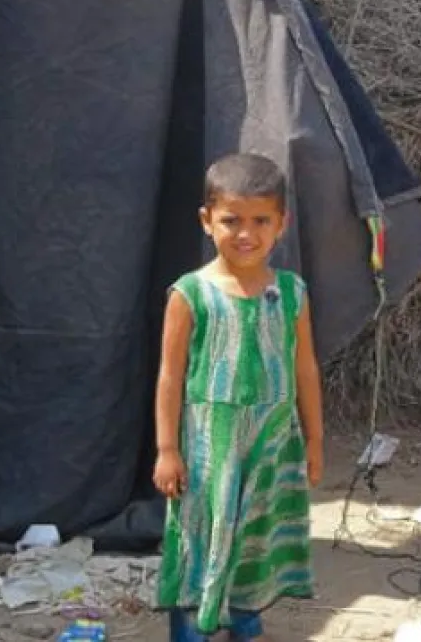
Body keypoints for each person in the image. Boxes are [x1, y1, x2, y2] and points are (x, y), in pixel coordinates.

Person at [153, 153, 324, 642]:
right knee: (202, 532)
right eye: (231, 220)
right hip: (211, 446)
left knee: (256, 534)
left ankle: (245, 619)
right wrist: (167, 449)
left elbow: (305, 369)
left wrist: (314, 441)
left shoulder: (291, 292)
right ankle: (191, 627)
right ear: (207, 221)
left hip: (272, 442)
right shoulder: (190, 294)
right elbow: (170, 377)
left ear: (281, 224)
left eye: (261, 220)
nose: (246, 233)